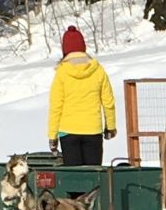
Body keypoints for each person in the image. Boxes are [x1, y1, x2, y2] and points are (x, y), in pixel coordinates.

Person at [47, 26, 116, 166]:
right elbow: (108, 102)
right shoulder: (98, 70)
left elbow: (56, 107)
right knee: (94, 178)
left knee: (75, 178)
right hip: (93, 130)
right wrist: (110, 127)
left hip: (68, 132)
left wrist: (52, 136)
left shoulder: (61, 73)